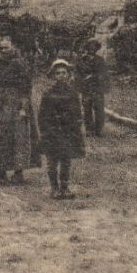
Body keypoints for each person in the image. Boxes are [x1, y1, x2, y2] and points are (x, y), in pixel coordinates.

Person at [0, 37, 34, 186]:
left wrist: (23, 108)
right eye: (0, 48)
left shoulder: (21, 64)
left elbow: (26, 88)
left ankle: (18, 173)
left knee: (18, 137)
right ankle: (0, 172)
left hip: (14, 104)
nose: (2, 51)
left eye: (6, 48)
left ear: (14, 47)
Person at [36, 58, 86, 200]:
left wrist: (76, 127)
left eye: (64, 73)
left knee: (66, 161)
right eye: (58, 73)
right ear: (53, 76)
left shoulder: (73, 93)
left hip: (67, 132)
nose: (61, 76)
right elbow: (42, 116)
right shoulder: (48, 94)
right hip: (52, 132)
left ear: (68, 75)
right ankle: (54, 188)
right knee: (52, 162)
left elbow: (77, 113)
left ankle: (65, 188)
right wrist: (47, 130)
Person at [76, 38, 106, 137]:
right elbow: (78, 73)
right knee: (87, 108)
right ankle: (89, 129)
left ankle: (99, 129)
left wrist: (93, 76)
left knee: (99, 109)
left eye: (94, 47)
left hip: (97, 88)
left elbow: (103, 74)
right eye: (90, 47)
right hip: (86, 89)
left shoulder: (100, 60)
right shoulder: (82, 60)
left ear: (97, 48)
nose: (92, 49)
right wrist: (81, 82)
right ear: (87, 48)